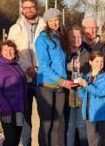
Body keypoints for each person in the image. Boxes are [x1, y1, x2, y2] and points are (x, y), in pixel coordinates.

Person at [7, 0, 46, 146]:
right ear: (22, 9)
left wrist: (37, 68)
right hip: (23, 79)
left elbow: (50, 52)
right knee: (24, 117)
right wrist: (25, 69)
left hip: (42, 77)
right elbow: (10, 53)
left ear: (37, 7)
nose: (29, 10)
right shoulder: (14, 29)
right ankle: (26, 144)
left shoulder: (45, 26)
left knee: (45, 116)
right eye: (26, 7)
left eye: (32, 7)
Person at [35, 8, 73, 146]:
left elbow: (60, 63)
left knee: (59, 124)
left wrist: (71, 66)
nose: (54, 23)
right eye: (51, 20)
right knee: (47, 124)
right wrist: (61, 81)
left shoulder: (60, 37)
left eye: (56, 19)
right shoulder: (42, 39)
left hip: (60, 87)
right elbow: (44, 67)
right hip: (46, 86)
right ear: (46, 22)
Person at [0, 40, 27, 146]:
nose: (9, 52)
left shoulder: (16, 65)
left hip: (19, 110)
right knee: (10, 139)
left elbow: (21, 86)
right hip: (7, 111)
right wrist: (6, 109)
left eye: (11, 49)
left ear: (15, 51)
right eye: (5, 50)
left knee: (16, 138)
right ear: (0, 52)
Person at [78, 51, 105, 146]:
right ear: (90, 62)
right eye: (97, 61)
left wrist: (86, 86)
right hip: (90, 115)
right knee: (93, 142)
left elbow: (102, 92)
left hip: (103, 114)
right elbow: (82, 95)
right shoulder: (85, 77)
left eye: (101, 61)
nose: (99, 64)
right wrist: (80, 87)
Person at [65, 25, 90, 146]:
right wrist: (67, 67)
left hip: (81, 94)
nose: (77, 39)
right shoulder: (63, 52)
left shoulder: (87, 53)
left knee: (82, 126)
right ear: (68, 37)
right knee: (69, 127)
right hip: (67, 95)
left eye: (80, 36)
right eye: (73, 36)